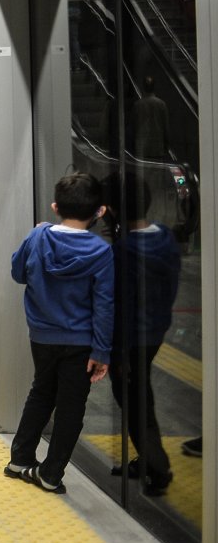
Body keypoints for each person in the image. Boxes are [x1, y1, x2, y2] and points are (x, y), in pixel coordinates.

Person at [7, 172, 115, 494]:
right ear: (100, 212)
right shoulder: (101, 251)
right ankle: (50, 474)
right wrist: (102, 352)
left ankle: (19, 459)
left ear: (55, 207)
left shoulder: (38, 237)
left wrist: (34, 234)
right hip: (81, 344)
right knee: (71, 407)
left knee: (41, 391)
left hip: (41, 336)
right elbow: (105, 305)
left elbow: (17, 273)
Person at [107, 172, 180, 495]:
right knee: (141, 396)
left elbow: (122, 305)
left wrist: (119, 353)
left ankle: (157, 467)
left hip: (131, 339)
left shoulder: (125, 251)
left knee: (134, 402)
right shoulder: (164, 237)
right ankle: (147, 458)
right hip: (156, 330)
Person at [134, 76, 169, 159]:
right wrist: (166, 146)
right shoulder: (161, 104)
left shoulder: (137, 105)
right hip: (157, 147)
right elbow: (165, 127)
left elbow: (133, 127)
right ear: (154, 87)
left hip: (142, 147)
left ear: (143, 87)